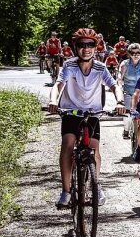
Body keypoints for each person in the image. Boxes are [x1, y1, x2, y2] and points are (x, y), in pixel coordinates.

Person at [48, 28, 127, 207]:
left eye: (90, 45)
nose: (86, 49)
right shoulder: (69, 66)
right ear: (76, 47)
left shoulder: (100, 67)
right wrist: (53, 100)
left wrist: (120, 102)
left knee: (94, 150)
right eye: (82, 45)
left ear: (95, 47)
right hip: (71, 112)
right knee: (68, 145)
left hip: (92, 113)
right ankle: (66, 190)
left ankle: (96, 186)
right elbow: (58, 85)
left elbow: (115, 86)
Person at [119, 43, 140, 139]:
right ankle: (126, 130)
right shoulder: (125, 64)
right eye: (133, 53)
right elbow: (119, 78)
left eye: (138, 52)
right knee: (127, 114)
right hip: (128, 92)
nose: (135, 55)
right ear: (129, 54)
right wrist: (119, 84)